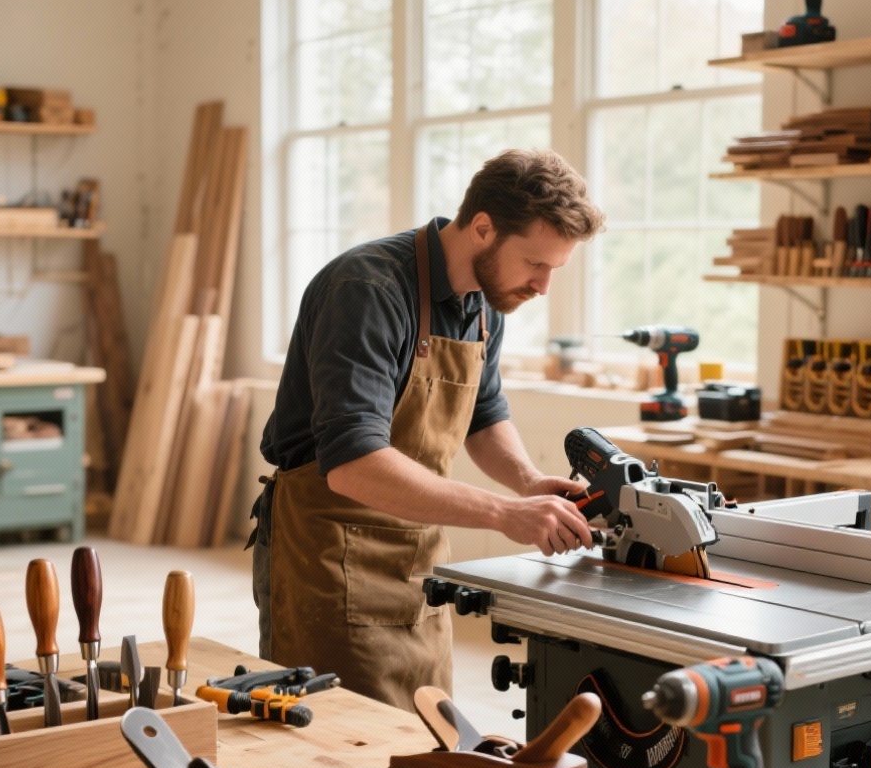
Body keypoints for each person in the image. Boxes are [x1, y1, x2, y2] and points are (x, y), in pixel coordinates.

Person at [251, 149, 605, 710]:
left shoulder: (487, 302)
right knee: (341, 743)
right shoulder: (367, 291)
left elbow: (484, 414)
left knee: (425, 731)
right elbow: (353, 464)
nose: (543, 287)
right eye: (536, 264)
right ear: (483, 228)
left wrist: (528, 483)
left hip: (416, 558)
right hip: (328, 557)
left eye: (555, 270)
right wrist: (502, 514)